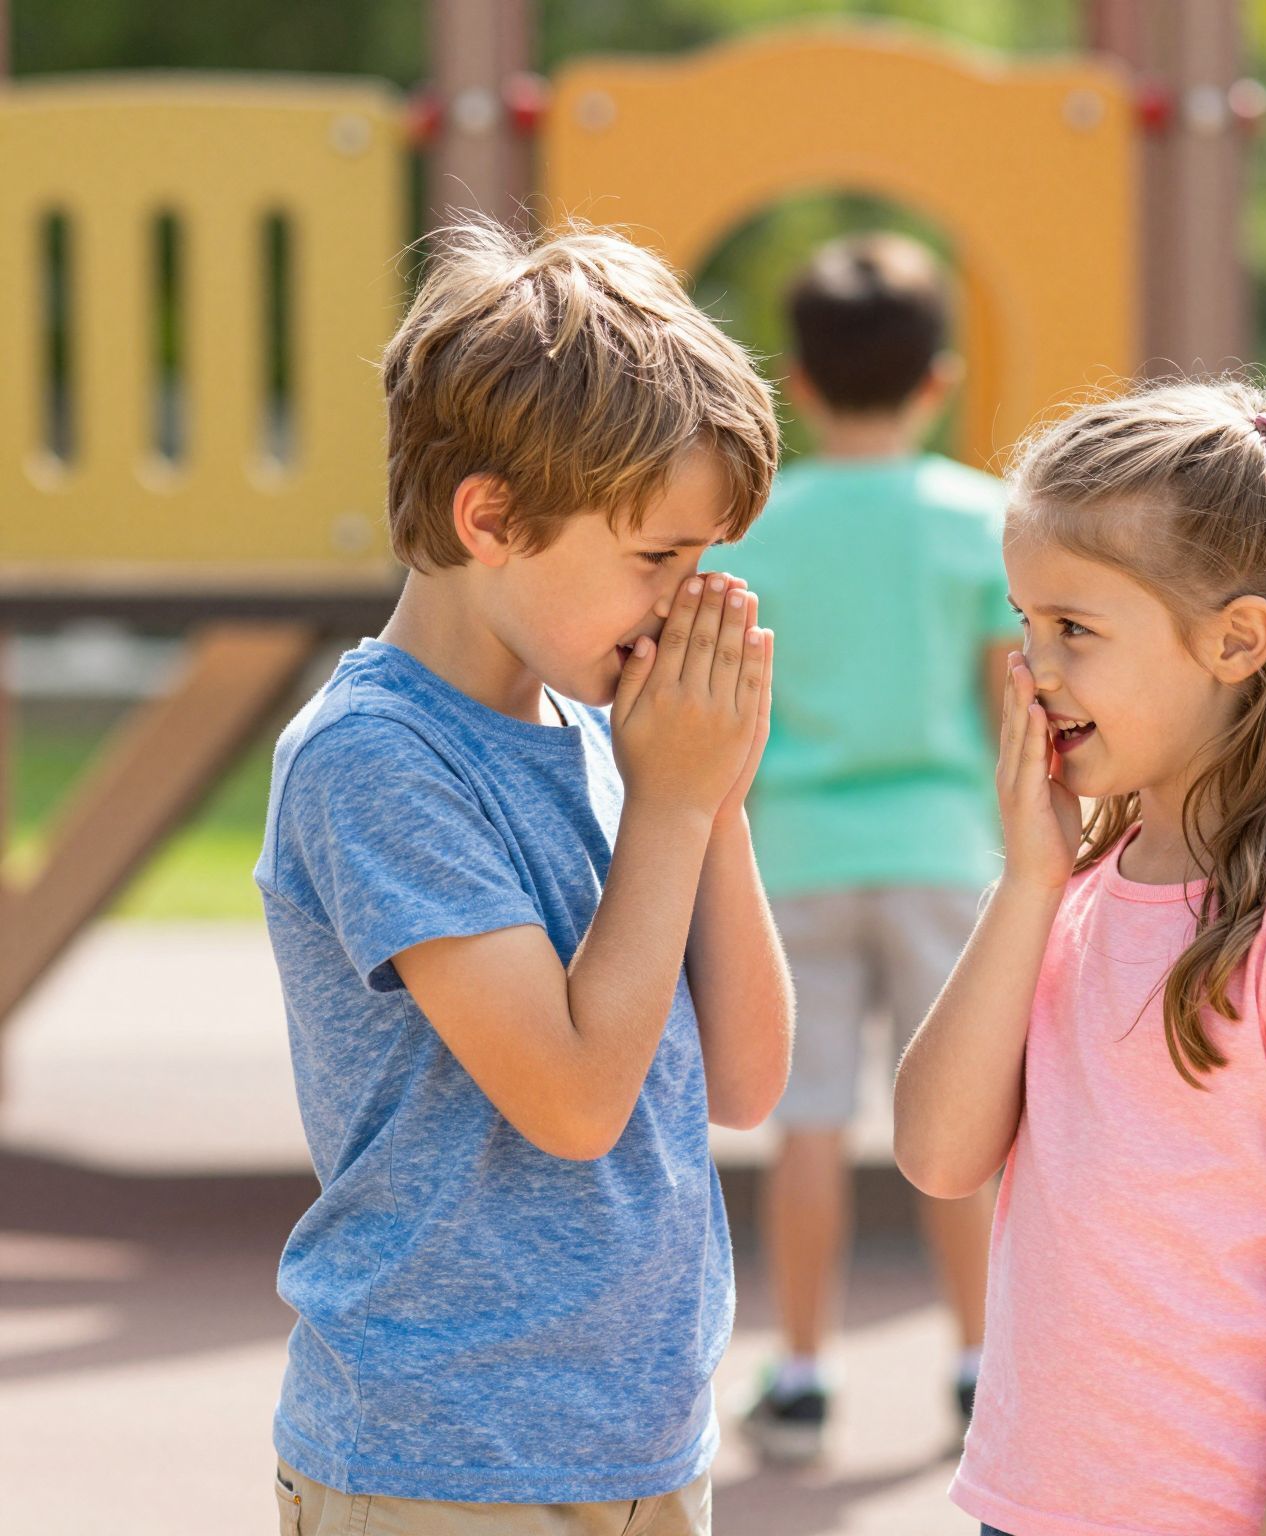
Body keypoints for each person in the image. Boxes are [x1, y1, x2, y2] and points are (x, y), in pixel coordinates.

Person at [254, 218, 789, 1533]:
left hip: (645, 1440)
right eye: (655, 558)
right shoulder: (375, 759)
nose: (684, 601)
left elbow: (751, 1079)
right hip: (441, 1462)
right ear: (490, 518)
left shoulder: (614, 737)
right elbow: (571, 1102)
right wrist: (671, 801)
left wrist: (713, 799)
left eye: (701, 561)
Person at [895, 379, 1266, 1536]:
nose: (1031, 668)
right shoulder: (1065, 892)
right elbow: (934, 1153)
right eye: (1023, 622)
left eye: (1073, 627)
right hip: (1028, 1512)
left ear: (1234, 640)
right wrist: (1027, 880)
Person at [721, 232, 1012, 1460]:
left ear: (795, 376)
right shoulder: (981, 517)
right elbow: (1011, 703)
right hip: (947, 847)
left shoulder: (760, 532)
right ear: (936, 378)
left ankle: (799, 1371)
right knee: (962, 1123)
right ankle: (977, 1361)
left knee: (806, 1125)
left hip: (793, 854)